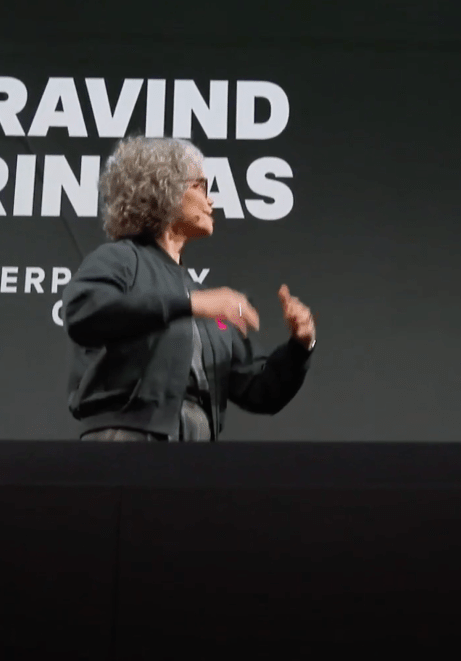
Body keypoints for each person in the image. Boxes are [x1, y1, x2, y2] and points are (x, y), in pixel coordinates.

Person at [62, 136, 317, 442]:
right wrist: (190, 304)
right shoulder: (121, 259)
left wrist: (300, 346)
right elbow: (84, 311)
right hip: (127, 438)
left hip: (196, 451)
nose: (211, 201)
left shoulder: (206, 302)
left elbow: (260, 390)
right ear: (164, 189)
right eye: (201, 186)